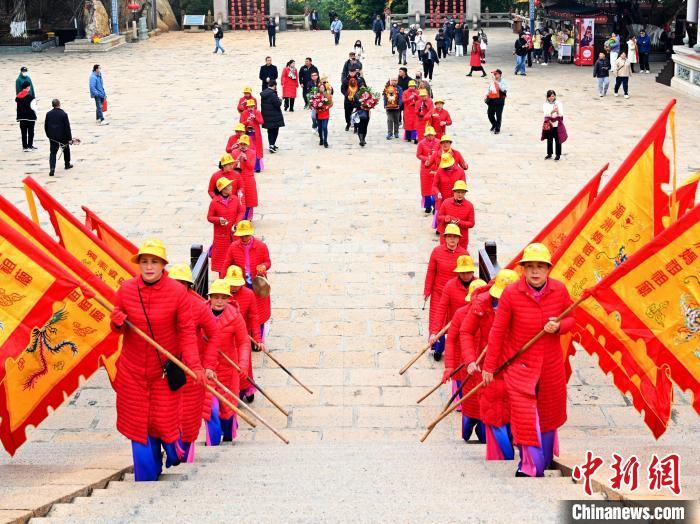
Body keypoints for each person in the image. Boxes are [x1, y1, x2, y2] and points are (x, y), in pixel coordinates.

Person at [110, 239, 204, 481]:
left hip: (164, 372)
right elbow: (116, 323)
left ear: (163, 265)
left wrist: (194, 366)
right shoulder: (126, 290)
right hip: (132, 372)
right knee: (138, 426)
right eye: (145, 262)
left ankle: (172, 453)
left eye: (154, 262)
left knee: (164, 422)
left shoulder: (177, 293)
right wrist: (117, 321)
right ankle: (146, 475)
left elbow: (186, 333)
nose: (149, 267)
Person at [483, 244, 573, 477]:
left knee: (548, 414)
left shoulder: (560, 291)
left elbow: (573, 319)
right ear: (523, 269)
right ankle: (529, 466)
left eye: (540, 267)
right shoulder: (511, 294)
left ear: (548, 269)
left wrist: (559, 327)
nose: (535, 272)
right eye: (530, 267)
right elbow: (498, 332)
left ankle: (542, 462)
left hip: (551, 366)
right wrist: (489, 366)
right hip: (521, 366)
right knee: (525, 416)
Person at [461, 269, 520, 460]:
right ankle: (508, 457)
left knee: (514, 415)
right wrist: (470, 359)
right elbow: (466, 332)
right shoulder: (482, 304)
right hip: (488, 369)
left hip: (516, 368)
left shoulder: (524, 305)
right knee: (494, 416)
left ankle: (511, 453)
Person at [169, 264, 218, 462]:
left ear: (189, 286)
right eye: (174, 284)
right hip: (165, 368)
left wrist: (208, 364)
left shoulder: (198, 306)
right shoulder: (159, 303)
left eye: (182, 284)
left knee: (189, 416)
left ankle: (185, 455)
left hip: (192, 368)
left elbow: (215, 334)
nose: (177, 288)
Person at [203, 279, 251, 442]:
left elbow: (244, 342)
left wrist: (243, 364)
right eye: (216, 297)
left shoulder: (235, 317)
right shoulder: (201, 313)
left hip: (228, 370)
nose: (219, 301)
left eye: (223, 297)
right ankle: (213, 441)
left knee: (228, 410)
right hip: (208, 370)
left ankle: (229, 432)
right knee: (211, 407)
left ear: (228, 299)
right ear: (210, 297)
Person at [443, 278, 488, 442]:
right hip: (466, 368)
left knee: (485, 409)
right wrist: (449, 366)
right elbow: (451, 340)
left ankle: (484, 436)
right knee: (469, 410)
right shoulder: (461, 313)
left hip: (486, 368)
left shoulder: (492, 313)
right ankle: (468, 430)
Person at [220, 220, 272, 343]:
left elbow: (268, 262)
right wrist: (221, 282)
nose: (244, 238)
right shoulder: (233, 247)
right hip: (240, 283)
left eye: (246, 235)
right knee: (244, 310)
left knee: (259, 313)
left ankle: (258, 339)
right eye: (241, 236)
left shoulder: (261, 246)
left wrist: (263, 266)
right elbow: (226, 264)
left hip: (258, 284)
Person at [424, 224, 467, 360]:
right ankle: (437, 347)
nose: (452, 240)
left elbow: (468, 275)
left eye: (455, 237)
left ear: (459, 239)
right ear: (445, 237)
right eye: (449, 236)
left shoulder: (464, 255)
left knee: (453, 322)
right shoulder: (436, 252)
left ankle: (449, 347)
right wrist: (427, 290)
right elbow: (431, 272)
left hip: (456, 294)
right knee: (437, 320)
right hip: (439, 292)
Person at [224, 265, 263, 394]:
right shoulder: (221, 295)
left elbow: (254, 317)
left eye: (236, 284)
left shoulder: (249, 294)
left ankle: (246, 389)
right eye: (231, 284)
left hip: (243, 338)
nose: (234, 287)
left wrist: (257, 338)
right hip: (227, 338)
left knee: (245, 365)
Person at [208, 177, 244, 273]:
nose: (231, 187)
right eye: (229, 186)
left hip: (233, 233)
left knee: (236, 258)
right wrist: (219, 220)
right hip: (221, 236)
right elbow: (209, 217)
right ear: (223, 189)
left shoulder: (235, 199)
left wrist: (236, 224)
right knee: (222, 262)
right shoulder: (214, 202)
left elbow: (241, 211)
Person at [432, 143, 467, 220]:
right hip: (442, 199)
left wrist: (459, 195)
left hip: (455, 199)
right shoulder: (439, 171)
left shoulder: (460, 171)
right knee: (442, 218)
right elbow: (434, 186)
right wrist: (438, 193)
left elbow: (463, 186)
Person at [437, 180, 474, 249]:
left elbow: (471, 223)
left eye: (462, 192)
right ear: (453, 192)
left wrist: (459, 222)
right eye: (458, 192)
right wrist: (446, 218)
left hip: (461, 239)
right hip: (447, 238)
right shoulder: (446, 202)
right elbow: (439, 217)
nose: (460, 194)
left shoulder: (469, 206)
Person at [44, 99, 73, 177]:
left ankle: (52, 169)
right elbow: (67, 127)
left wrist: (48, 135)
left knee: (53, 153)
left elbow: (46, 126)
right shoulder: (63, 114)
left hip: (52, 137)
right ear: (59, 104)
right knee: (66, 150)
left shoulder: (48, 114)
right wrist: (69, 138)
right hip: (63, 136)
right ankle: (67, 164)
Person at [231, 136, 257, 220]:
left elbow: (251, 167)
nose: (242, 146)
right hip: (237, 178)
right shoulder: (234, 152)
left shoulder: (252, 153)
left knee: (249, 198)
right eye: (241, 144)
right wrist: (237, 160)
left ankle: (248, 217)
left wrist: (246, 159)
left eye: (244, 144)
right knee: (238, 198)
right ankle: (239, 217)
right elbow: (231, 167)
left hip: (248, 178)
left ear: (248, 145)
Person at [416, 126, 439, 213]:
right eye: (428, 135)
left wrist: (434, 157)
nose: (430, 137)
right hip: (425, 169)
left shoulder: (439, 143)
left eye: (431, 135)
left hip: (435, 167)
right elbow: (418, 155)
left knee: (435, 188)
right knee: (426, 189)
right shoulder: (421, 143)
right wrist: (427, 158)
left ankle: (435, 206)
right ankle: (428, 206)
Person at [542, 90, 567, 161]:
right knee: (549, 139)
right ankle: (549, 154)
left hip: (557, 124)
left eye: (553, 96)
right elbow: (546, 114)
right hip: (549, 124)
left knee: (558, 140)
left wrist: (557, 111)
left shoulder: (559, 104)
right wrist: (552, 112)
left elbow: (561, 114)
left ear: (555, 96)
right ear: (547, 97)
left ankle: (558, 155)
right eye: (550, 96)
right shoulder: (545, 104)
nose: (551, 97)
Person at [239, 99, 265, 169]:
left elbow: (261, 121)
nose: (250, 108)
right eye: (249, 107)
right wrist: (246, 121)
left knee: (256, 150)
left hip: (255, 135)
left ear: (254, 106)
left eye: (252, 106)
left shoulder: (257, 112)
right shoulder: (244, 113)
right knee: (248, 149)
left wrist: (255, 118)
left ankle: (257, 167)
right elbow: (241, 124)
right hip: (247, 135)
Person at [260, 81, 284, 154]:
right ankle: (272, 145)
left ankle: (272, 144)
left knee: (270, 131)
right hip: (274, 115)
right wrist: (280, 99)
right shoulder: (273, 94)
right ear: (274, 86)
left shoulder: (264, 93)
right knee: (275, 131)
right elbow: (278, 104)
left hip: (266, 115)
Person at [341, 67, 365, 133]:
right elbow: (342, 89)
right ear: (349, 72)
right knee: (347, 113)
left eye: (353, 72)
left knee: (356, 113)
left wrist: (359, 95)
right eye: (350, 72)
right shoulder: (345, 80)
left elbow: (363, 88)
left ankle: (356, 126)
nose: (352, 73)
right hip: (348, 100)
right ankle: (348, 123)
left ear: (355, 72)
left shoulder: (359, 80)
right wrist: (347, 95)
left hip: (357, 100)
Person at [16, 80, 37, 152]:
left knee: (23, 133)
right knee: (31, 132)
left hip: (21, 117)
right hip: (30, 117)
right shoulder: (30, 97)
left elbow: (18, 108)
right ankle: (30, 146)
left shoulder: (18, 97)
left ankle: (24, 147)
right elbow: (34, 107)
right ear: (28, 87)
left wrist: (18, 117)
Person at [485, 69, 507, 134]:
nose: (495, 75)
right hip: (492, 99)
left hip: (500, 100)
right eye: (494, 74)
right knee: (490, 114)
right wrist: (486, 95)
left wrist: (496, 83)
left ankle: (497, 128)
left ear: (500, 74)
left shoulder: (503, 81)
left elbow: (504, 89)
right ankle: (494, 124)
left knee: (498, 115)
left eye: (496, 74)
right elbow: (489, 89)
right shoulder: (492, 81)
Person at [315, 82, 333, 148]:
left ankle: (325, 141)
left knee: (324, 127)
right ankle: (321, 139)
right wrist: (316, 106)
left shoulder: (327, 95)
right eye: (320, 87)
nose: (322, 88)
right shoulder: (316, 95)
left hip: (325, 114)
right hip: (318, 114)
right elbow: (313, 103)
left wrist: (326, 107)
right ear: (319, 88)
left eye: (323, 87)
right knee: (319, 128)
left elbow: (331, 103)